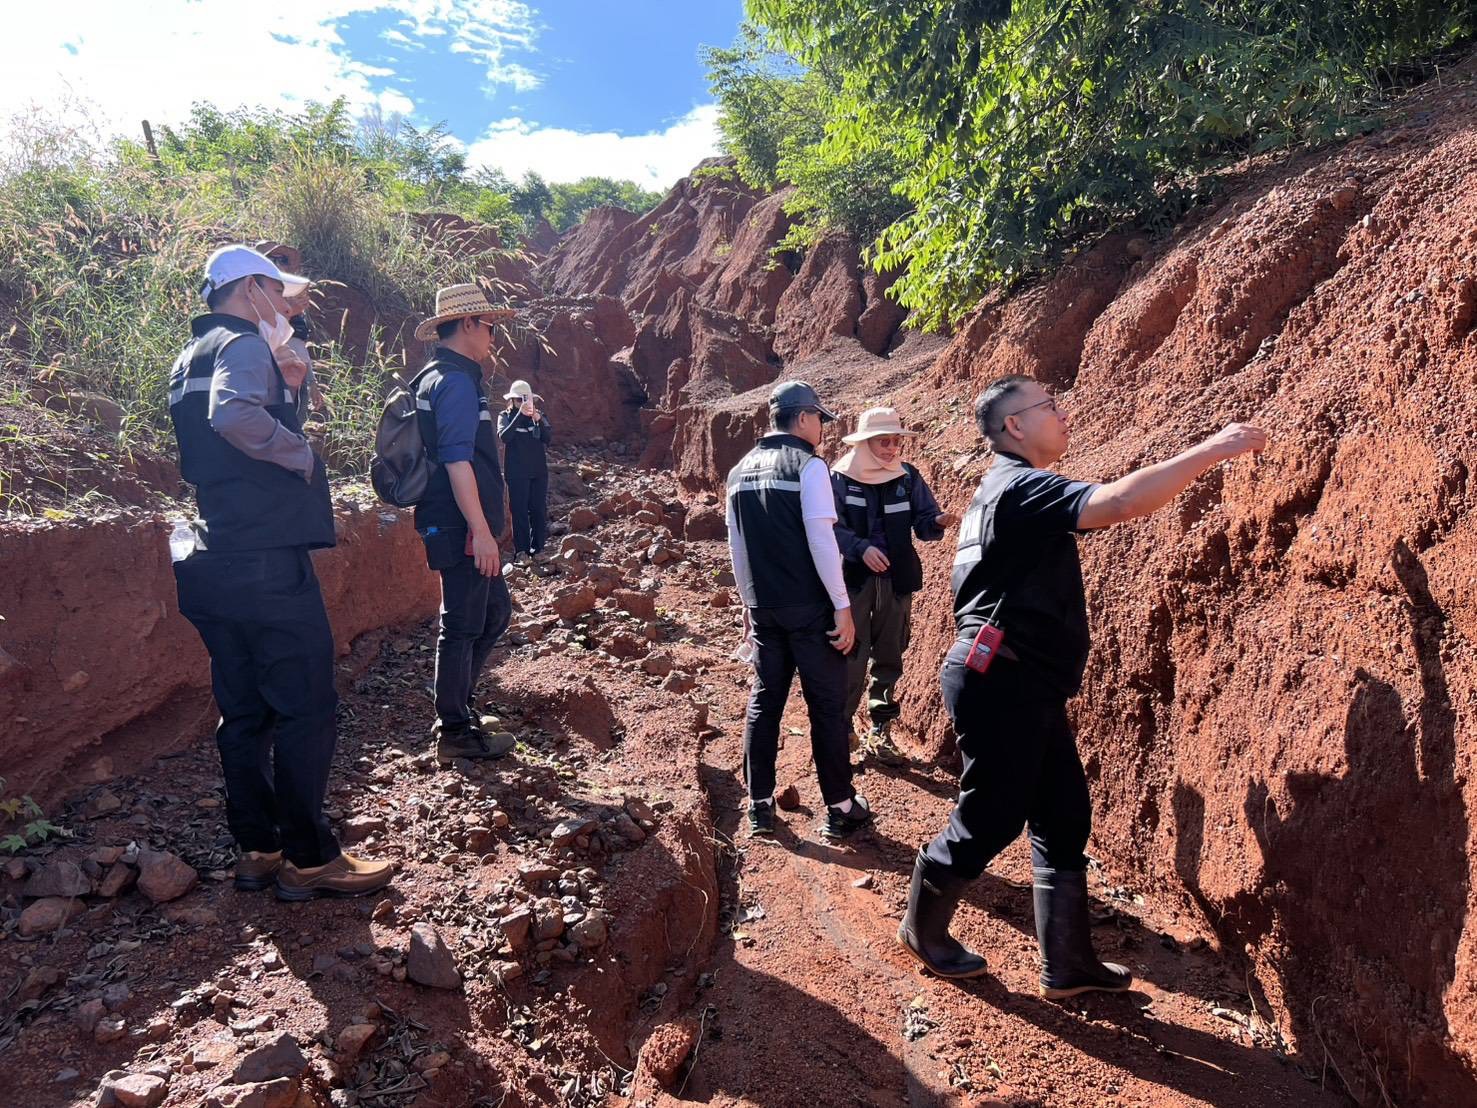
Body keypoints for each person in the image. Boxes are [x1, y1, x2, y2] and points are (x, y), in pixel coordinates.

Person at [898, 374, 1266, 993]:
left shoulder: (999, 492)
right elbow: (1117, 504)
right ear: (1014, 426)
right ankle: (922, 930)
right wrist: (1212, 449)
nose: (1062, 413)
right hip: (1001, 678)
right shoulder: (1016, 487)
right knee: (991, 816)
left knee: (1064, 815)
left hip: (1021, 680)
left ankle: (1067, 962)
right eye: (1048, 406)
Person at [168, 244, 393, 902]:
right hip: (266, 559)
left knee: (243, 714)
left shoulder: (190, 354)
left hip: (214, 556)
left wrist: (291, 388)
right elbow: (235, 416)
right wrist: (303, 454)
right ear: (250, 289)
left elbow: (217, 431)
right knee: (304, 709)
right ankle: (310, 858)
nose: (288, 305)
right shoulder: (242, 344)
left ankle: (259, 848)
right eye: (279, 291)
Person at [727, 380, 874, 840]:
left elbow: (736, 545)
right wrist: (842, 606)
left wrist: (747, 603)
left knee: (765, 702)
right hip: (810, 608)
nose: (822, 431)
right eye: (819, 421)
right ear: (804, 418)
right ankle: (840, 805)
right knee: (826, 707)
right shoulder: (808, 466)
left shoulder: (738, 471)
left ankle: (760, 805)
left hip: (766, 607)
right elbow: (821, 540)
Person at [411, 284, 520, 763]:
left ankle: (459, 710)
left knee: (492, 613)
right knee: (461, 624)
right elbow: (458, 461)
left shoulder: (444, 375)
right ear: (469, 324)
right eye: (490, 326)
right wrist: (480, 530)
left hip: (454, 522)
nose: (495, 335)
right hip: (458, 526)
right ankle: (454, 730)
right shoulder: (453, 381)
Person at [830, 407, 956, 761]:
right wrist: (860, 548)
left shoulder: (907, 477)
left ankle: (880, 730)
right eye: (883, 442)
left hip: (897, 580)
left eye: (896, 442)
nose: (891, 449)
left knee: (890, 653)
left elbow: (923, 520)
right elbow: (828, 528)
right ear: (865, 442)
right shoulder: (839, 479)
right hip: (852, 582)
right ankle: (840, 733)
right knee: (850, 655)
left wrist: (938, 521)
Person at [497, 379, 552, 561]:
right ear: (512, 400)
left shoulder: (538, 416)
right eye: (519, 400)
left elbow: (548, 438)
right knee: (519, 511)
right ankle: (522, 551)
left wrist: (538, 420)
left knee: (538, 510)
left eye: (526, 400)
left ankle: (539, 550)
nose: (523, 404)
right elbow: (505, 437)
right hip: (517, 473)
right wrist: (519, 415)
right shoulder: (504, 416)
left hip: (538, 472)